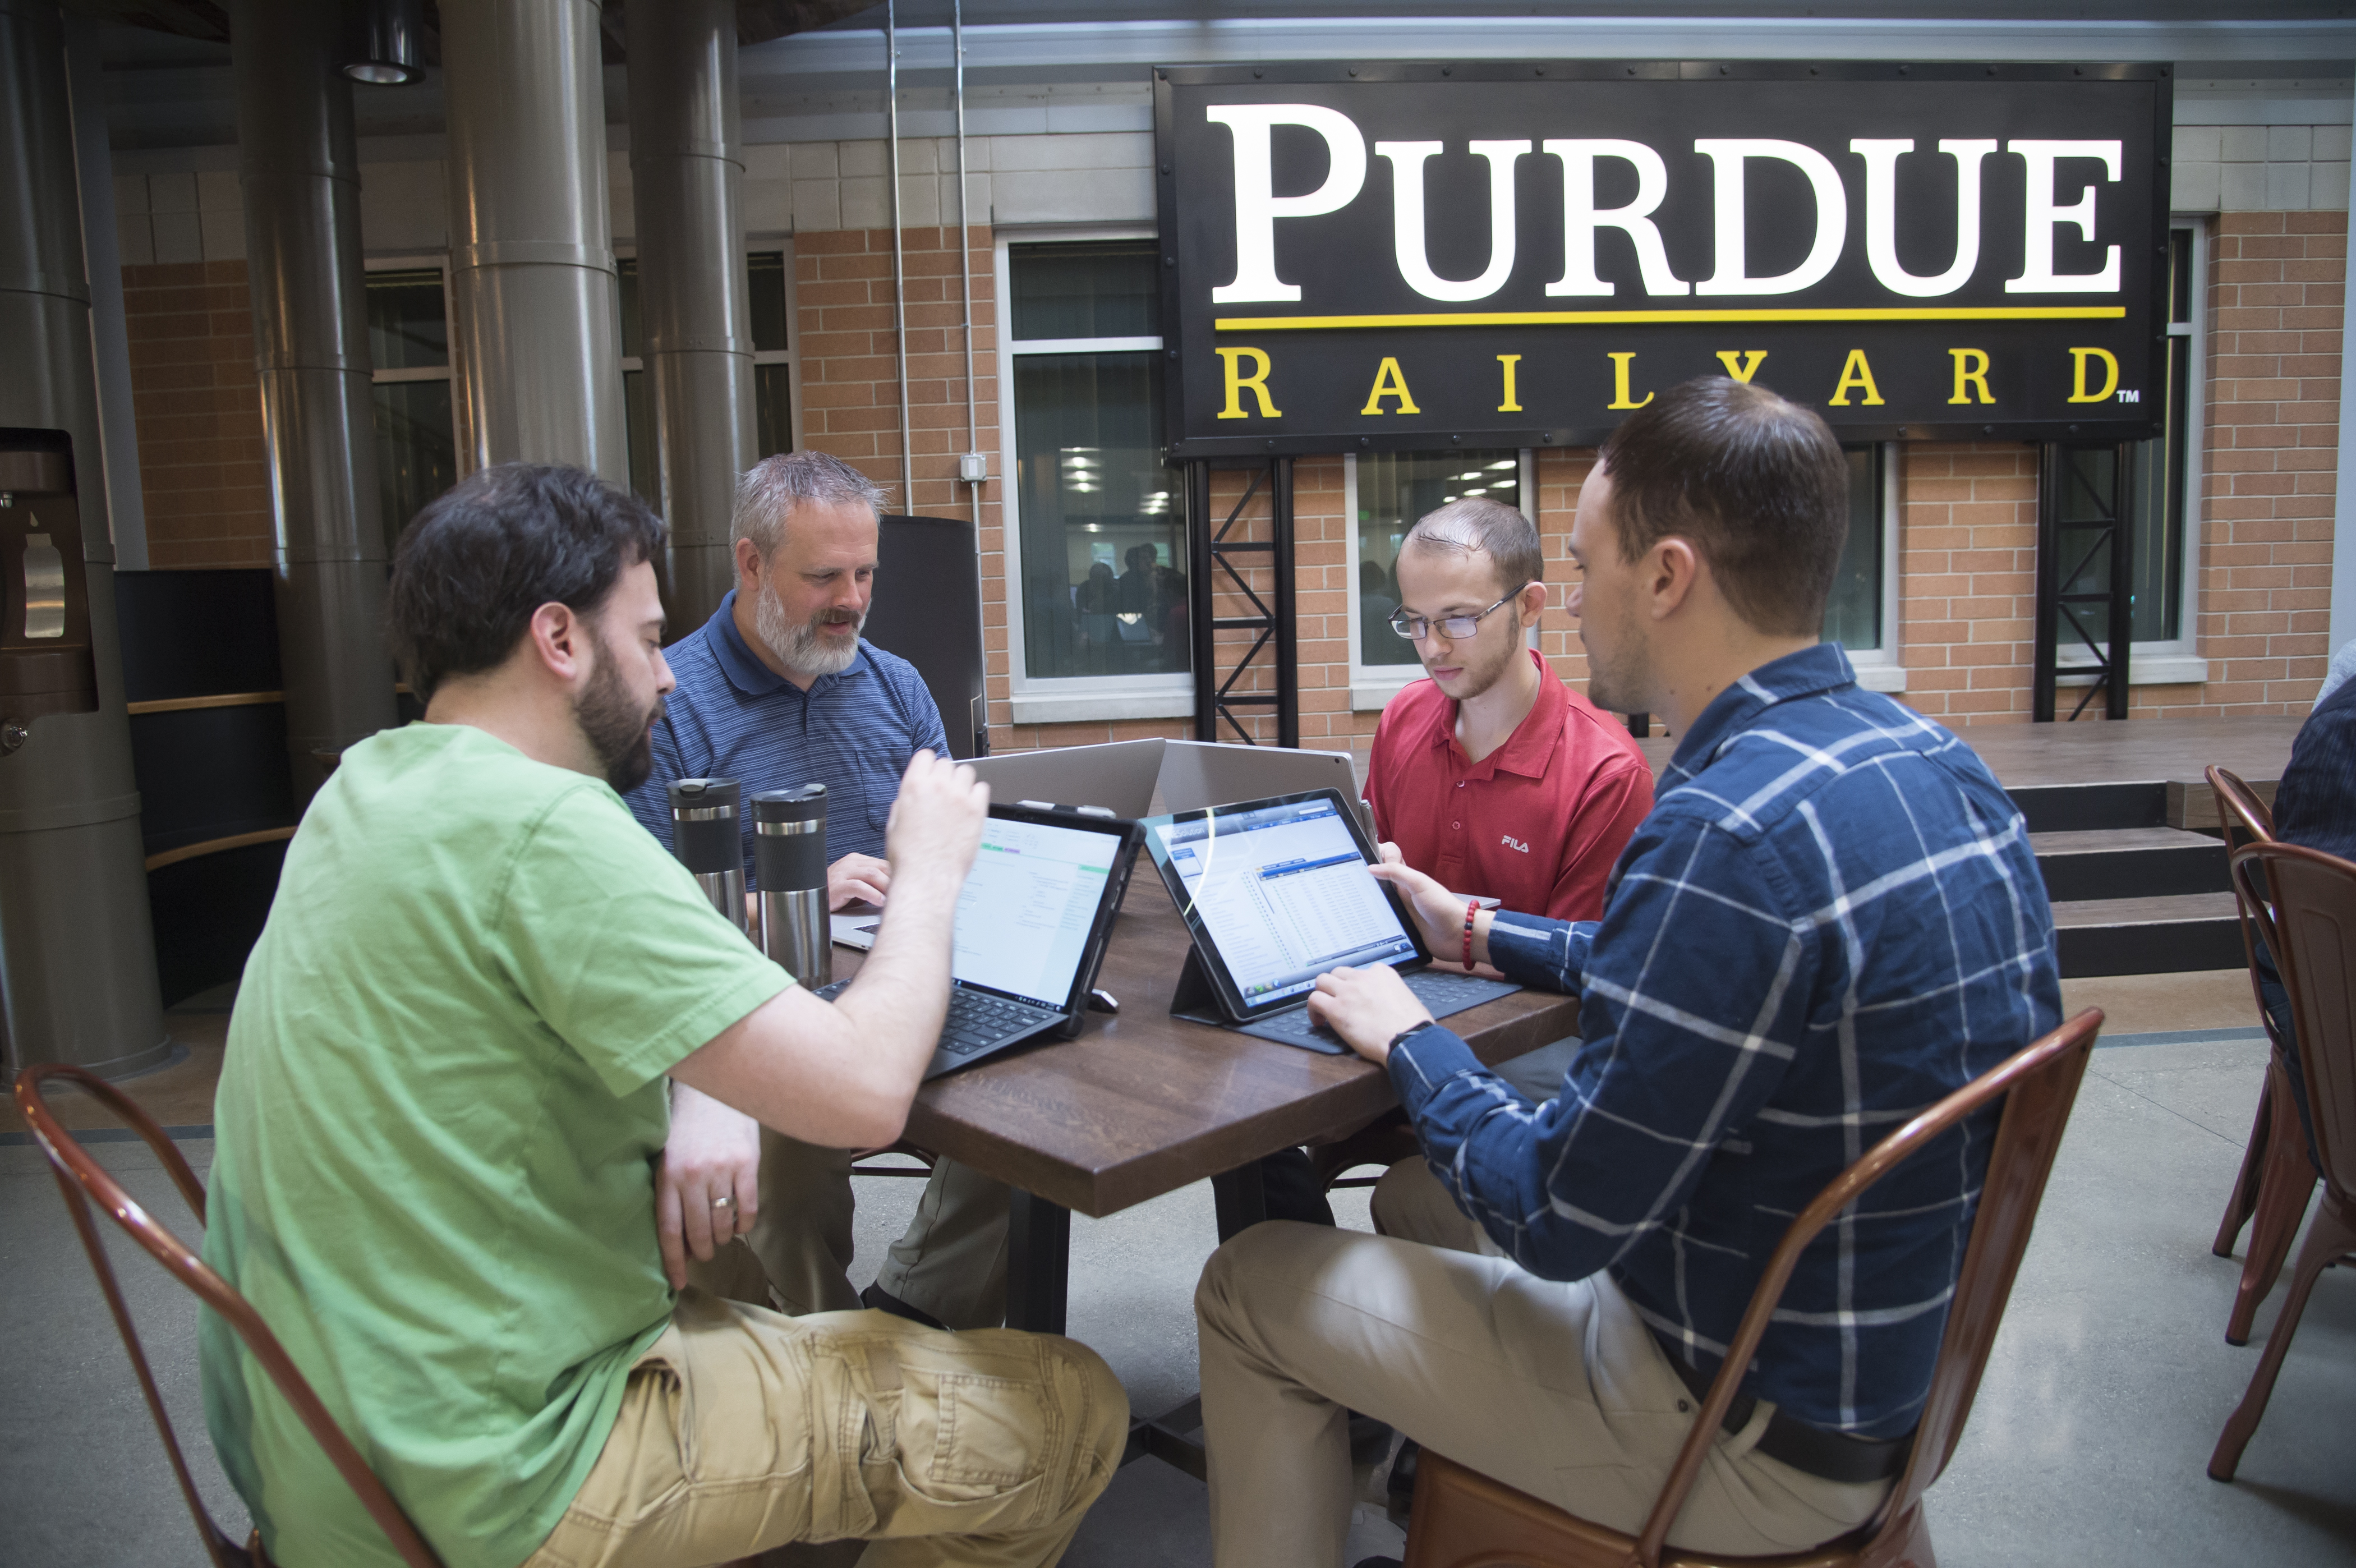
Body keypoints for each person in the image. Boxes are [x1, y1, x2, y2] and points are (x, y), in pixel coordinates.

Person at [1193, 378, 2063, 1567]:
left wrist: (1413, 1039)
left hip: (1727, 1425)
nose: (1580, 602)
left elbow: (1559, 1215)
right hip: (1883, 1391)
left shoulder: (1718, 831)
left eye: (1590, 565)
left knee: (1249, 1285)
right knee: (1418, 1203)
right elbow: (1711, 972)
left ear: (1666, 575)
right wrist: (1486, 929)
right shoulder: (1938, 764)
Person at [201, 463, 1124, 1568]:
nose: (668, 678)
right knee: (1068, 1409)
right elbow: (867, 1089)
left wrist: (696, 1087)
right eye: (644, 640)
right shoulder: (548, 827)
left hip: (316, 1438)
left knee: (755, 1266)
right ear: (559, 640)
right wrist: (928, 871)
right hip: (500, 1474)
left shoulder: (365, 789)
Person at [624, 450, 1011, 1334]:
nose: (852, 598)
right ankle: (831, 1363)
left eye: (866, 571)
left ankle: (911, 1312)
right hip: (754, 1004)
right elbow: (645, 919)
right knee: (784, 1172)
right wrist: (795, 896)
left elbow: (950, 850)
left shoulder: (897, 685)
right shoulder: (671, 706)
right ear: (751, 563)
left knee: (1032, 1117)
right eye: (824, 575)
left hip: (899, 983)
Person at [1364, 496, 1653, 926]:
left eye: (1458, 618)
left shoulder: (1607, 773)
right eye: (1416, 621)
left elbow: (1580, 966)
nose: (1433, 646)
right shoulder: (1404, 715)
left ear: (1530, 605)